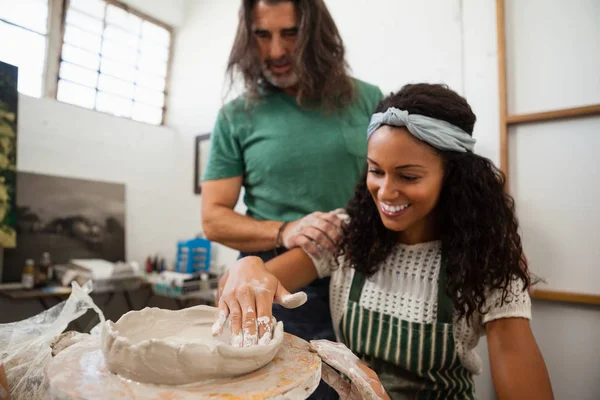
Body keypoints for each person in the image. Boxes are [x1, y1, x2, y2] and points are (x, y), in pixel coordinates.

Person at [213, 83, 554, 399]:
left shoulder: (487, 260)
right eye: (376, 171)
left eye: (408, 176)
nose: (386, 192)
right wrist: (247, 265)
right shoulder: (347, 235)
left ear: (454, 176)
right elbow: (254, 285)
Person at [202, 0, 382, 370]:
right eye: (262, 35)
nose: (277, 51)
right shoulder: (236, 116)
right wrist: (285, 230)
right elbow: (214, 219)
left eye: (291, 34)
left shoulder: (368, 99)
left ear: (316, 35)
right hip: (279, 282)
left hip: (366, 271)